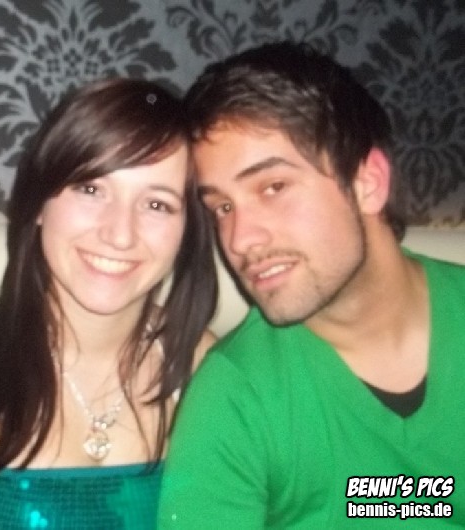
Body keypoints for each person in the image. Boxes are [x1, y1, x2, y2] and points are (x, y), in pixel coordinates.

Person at [158, 40, 465, 528]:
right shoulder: (236, 395)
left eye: (273, 187)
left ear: (367, 184)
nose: (239, 239)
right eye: (222, 207)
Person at [0, 77, 217, 528]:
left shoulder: (206, 368)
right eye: (91, 189)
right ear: (39, 203)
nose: (119, 234)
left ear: (187, 230)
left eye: (156, 204)